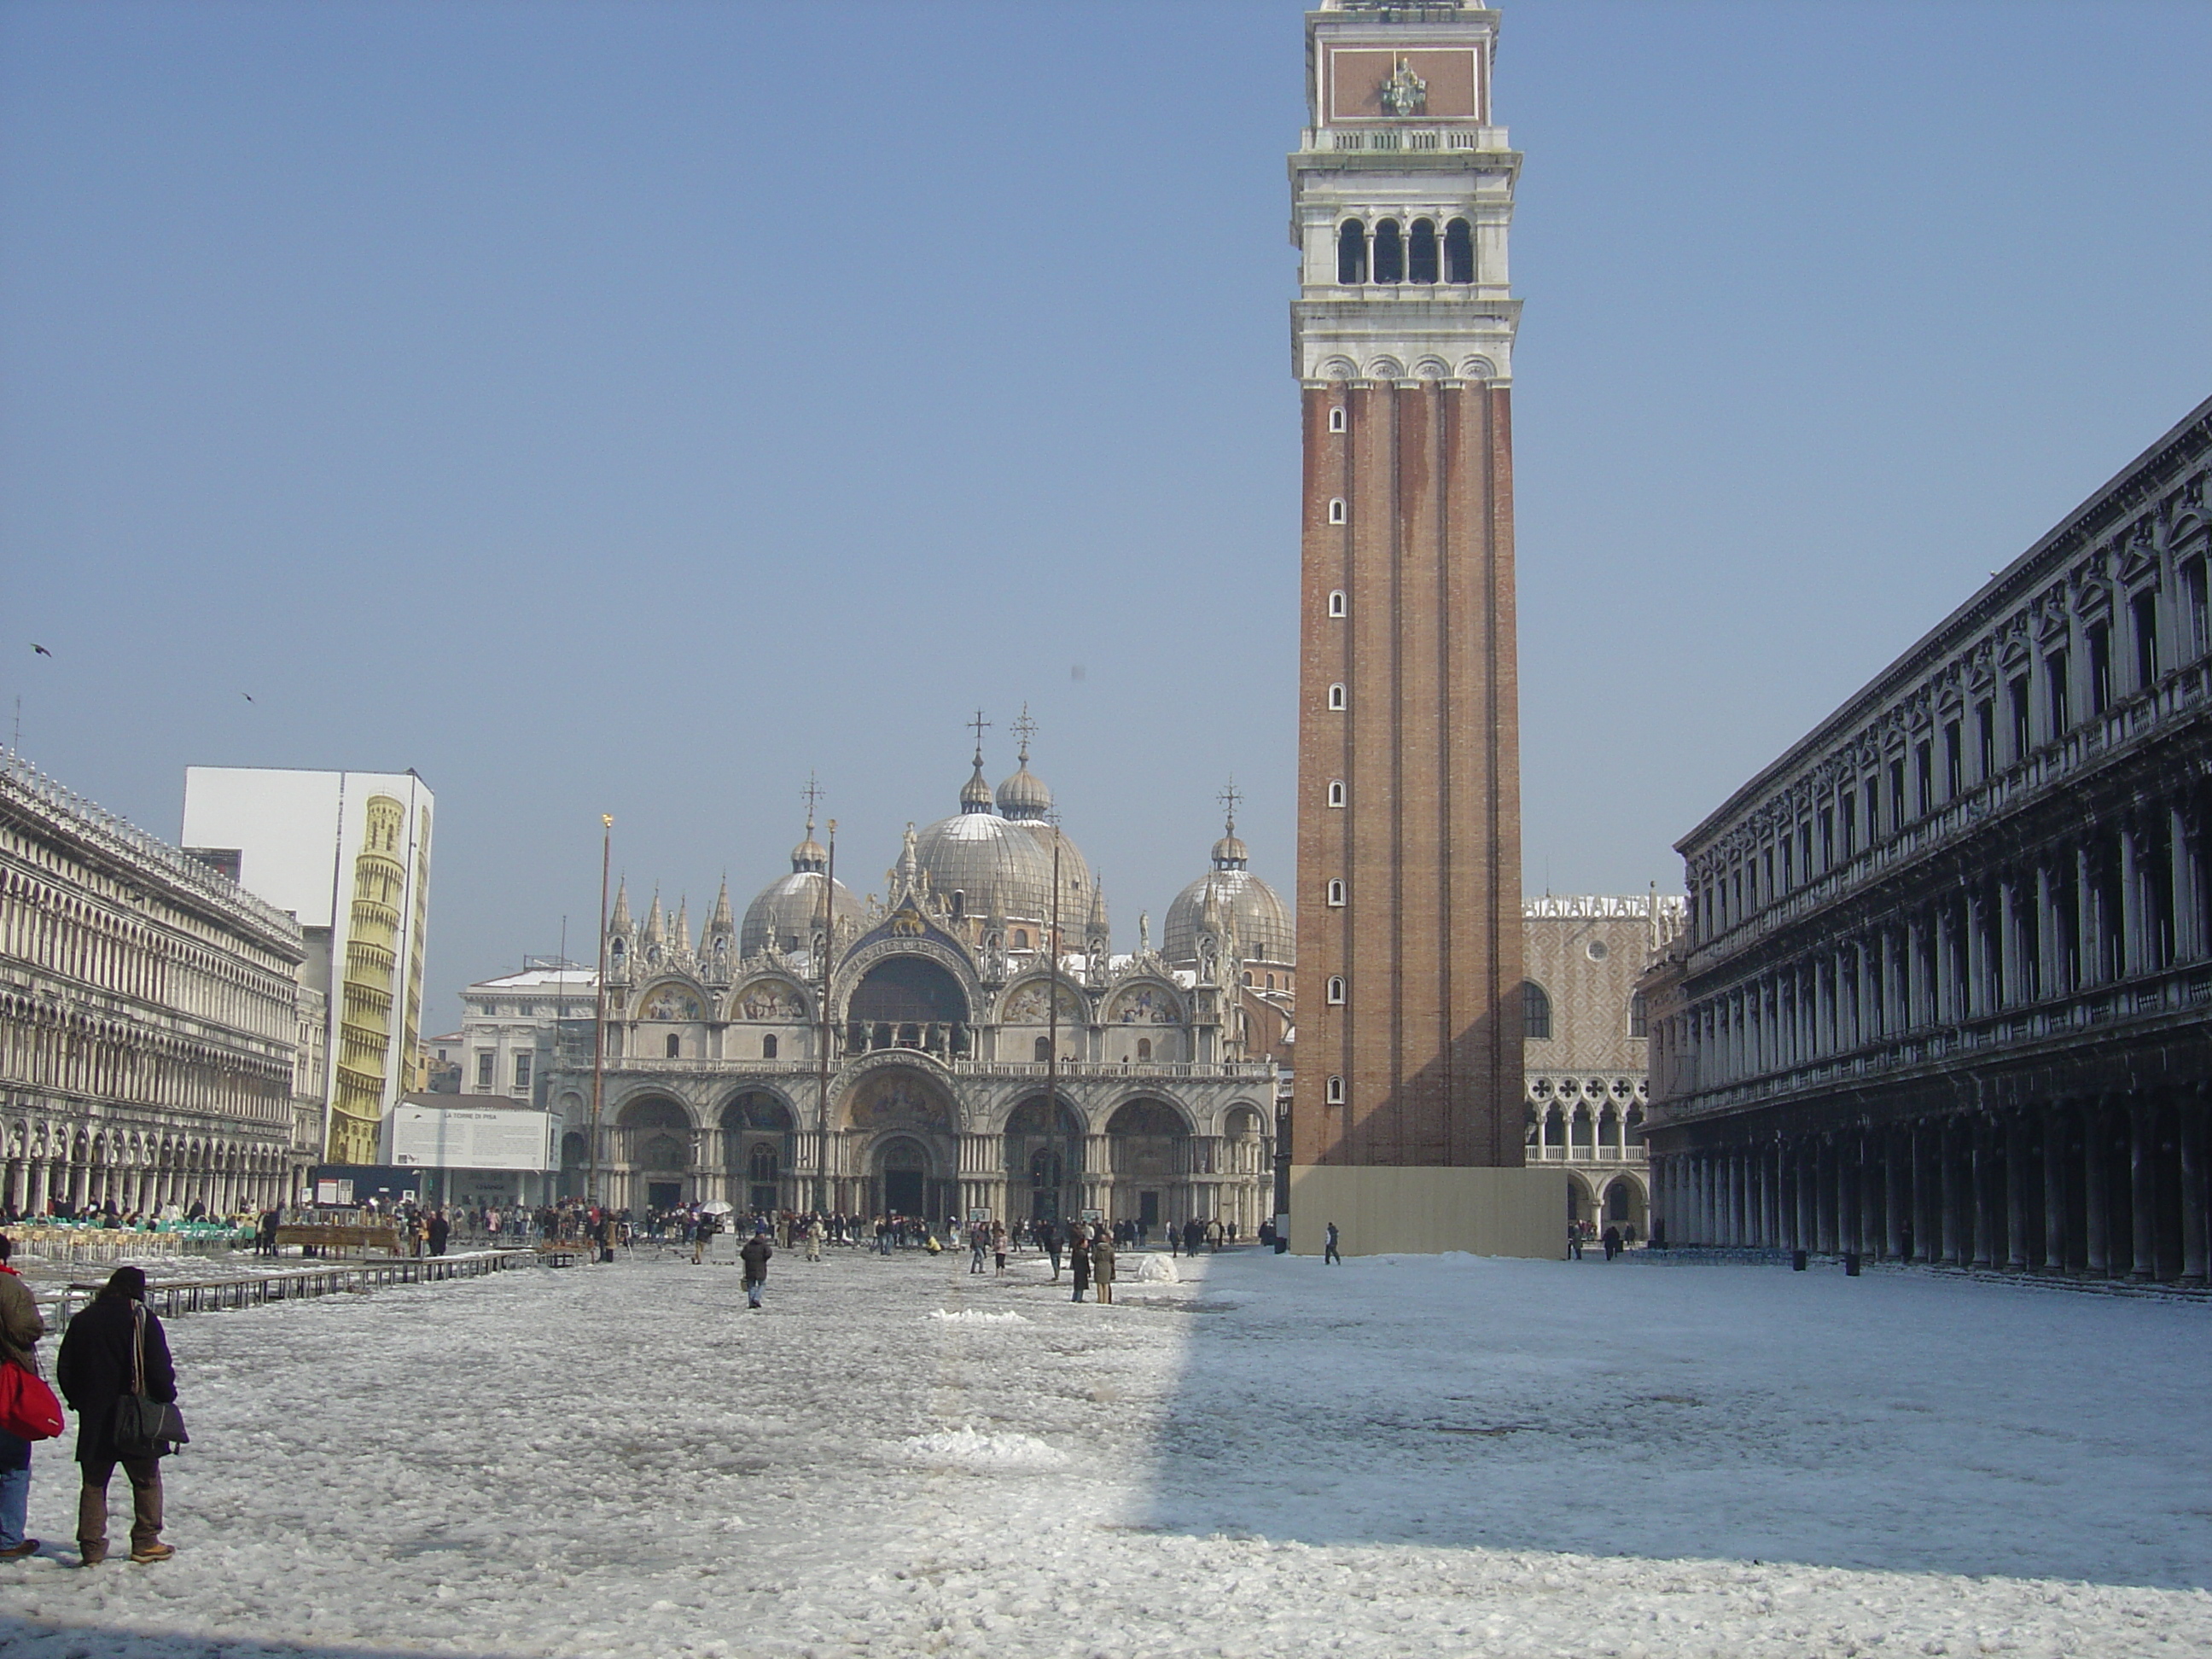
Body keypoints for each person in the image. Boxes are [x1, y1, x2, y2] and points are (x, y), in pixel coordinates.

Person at [56, 1266, 176, 1566]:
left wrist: (79, 1401)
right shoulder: (142, 1319)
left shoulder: (84, 1319)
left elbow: (66, 1367)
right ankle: (146, 1540)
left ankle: (91, 1546)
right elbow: (159, 1368)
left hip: (95, 1415)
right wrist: (165, 1397)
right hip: (135, 1413)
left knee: (94, 1483)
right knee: (146, 1478)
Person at [0, 1237, 47, 1560]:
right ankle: (7, 1537)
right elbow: (26, 1329)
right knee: (13, 1464)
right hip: (6, 1382)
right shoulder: (11, 1288)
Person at [739, 1230, 772, 1310]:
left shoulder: (749, 1244)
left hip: (749, 1267)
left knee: (751, 1285)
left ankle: (751, 1302)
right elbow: (769, 1253)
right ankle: (756, 1299)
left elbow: (743, 1254)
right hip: (760, 1267)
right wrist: (763, 1259)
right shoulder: (764, 1244)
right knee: (762, 1284)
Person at [1091, 1227, 1116, 1305]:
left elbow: (1093, 1258)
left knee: (1099, 1284)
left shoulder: (1096, 1249)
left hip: (1099, 1266)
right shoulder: (1110, 1249)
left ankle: (1100, 1299)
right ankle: (1106, 1300)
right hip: (1107, 1267)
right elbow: (1113, 1259)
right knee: (1106, 1284)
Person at [1068, 1225, 1091, 1302]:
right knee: (1080, 1285)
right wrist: (1088, 1271)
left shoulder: (1076, 1251)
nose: (1087, 1244)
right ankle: (1079, 1298)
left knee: (1077, 1285)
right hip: (1082, 1271)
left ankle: (1075, 1297)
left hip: (1077, 1270)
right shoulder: (1082, 1253)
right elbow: (1085, 1263)